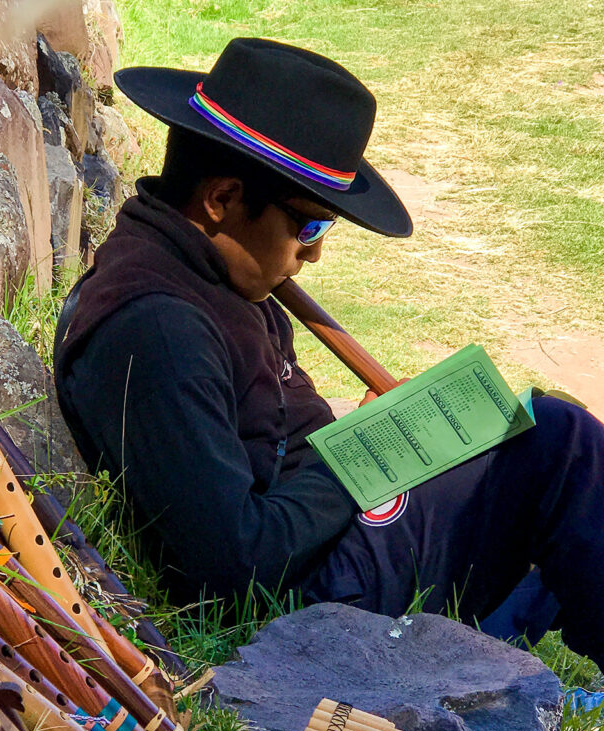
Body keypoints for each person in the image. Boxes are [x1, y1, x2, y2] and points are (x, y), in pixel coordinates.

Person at [54, 38, 604, 669]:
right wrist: (365, 455)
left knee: (535, 440)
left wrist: (383, 438)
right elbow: (234, 565)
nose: (314, 253)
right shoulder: (158, 332)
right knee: (561, 450)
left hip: (327, 541)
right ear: (222, 199)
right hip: (306, 603)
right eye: (309, 226)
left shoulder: (220, 276)